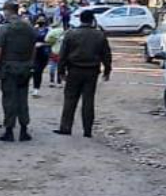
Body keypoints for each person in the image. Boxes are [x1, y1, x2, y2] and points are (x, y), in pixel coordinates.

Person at [55, 9, 113, 138]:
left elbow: (62, 55)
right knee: (88, 100)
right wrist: (107, 70)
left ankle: (65, 127)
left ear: (80, 19)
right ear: (92, 20)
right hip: (92, 71)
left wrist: (60, 71)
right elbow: (106, 55)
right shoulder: (99, 35)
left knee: (70, 99)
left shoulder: (71, 34)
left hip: (74, 70)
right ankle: (87, 130)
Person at [0, 0, 36, 142]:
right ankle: (23, 130)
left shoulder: (5, 28)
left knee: (9, 99)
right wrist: (30, 64)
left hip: (9, 68)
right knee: (22, 98)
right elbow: (33, 48)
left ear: (7, 11)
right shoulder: (29, 27)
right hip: (25, 68)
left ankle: (9, 130)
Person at [31, 16, 51, 97]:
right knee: (36, 71)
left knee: (39, 71)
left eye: (42, 19)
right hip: (34, 54)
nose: (41, 21)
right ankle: (35, 89)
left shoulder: (49, 30)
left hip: (44, 53)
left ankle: (36, 88)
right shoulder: (33, 30)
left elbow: (52, 42)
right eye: (39, 19)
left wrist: (42, 44)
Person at [45, 20, 66, 87]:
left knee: (52, 67)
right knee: (60, 67)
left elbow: (46, 40)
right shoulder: (64, 32)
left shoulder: (51, 31)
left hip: (54, 51)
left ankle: (52, 81)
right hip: (62, 52)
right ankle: (59, 82)